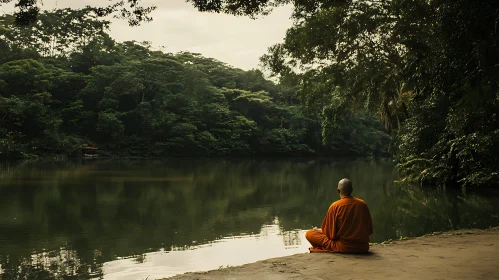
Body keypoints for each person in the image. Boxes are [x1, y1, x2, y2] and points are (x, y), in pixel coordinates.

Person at [305, 178, 373, 253]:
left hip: (344, 247)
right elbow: (369, 230)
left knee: (310, 234)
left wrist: (317, 231)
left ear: (338, 190)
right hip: (362, 247)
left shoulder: (335, 206)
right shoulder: (362, 204)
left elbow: (330, 235)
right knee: (317, 232)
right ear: (352, 190)